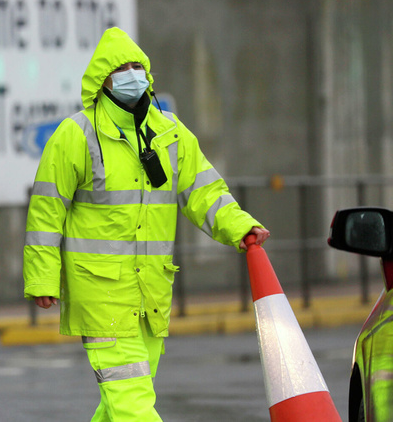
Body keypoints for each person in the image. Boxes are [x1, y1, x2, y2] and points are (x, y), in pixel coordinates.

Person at [22, 27, 270, 421]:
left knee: (119, 405)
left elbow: (204, 190)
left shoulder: (170, 134)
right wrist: (42, 279)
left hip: (150, 296)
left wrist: (239, 225)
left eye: (139, 66)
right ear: (101, 80)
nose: (133, 74)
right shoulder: (78, 135)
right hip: (101, 296)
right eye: (122, 68)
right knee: (134, 407)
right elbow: (46, 212)